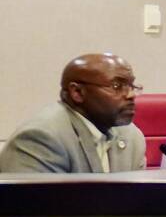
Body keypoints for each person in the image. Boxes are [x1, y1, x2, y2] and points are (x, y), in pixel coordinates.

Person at [0, 52, 145, 174]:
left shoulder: (131, 136)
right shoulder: (41, 138)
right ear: (77, 92)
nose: (131, 94)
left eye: (131, 85)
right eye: (116, 86)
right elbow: (31, 205)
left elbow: (141, 201)